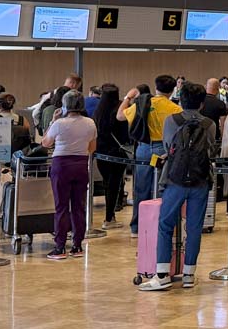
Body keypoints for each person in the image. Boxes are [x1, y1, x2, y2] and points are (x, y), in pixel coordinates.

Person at [137, 83, 219, 291]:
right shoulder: (209, 124)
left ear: (181, 101)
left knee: (165, 225)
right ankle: (189, 274)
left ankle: (162, 274)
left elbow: (168, 146)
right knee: (194, 228)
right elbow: (211, 149)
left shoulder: (172, 121)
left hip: (175, 179)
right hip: (201, 180)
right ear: (202, 104)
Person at [38, 90, 96, 259]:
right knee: (79, 206)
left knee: (61, 207)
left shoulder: (59, 124)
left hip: (61, 165)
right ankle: (77, 245)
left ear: (64, 105)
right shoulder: (90, 123)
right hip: (81, 164)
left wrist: (52, 121)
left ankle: (60, 246)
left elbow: (45, 142)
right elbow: (92, 148)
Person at [120, 76, 181, 236]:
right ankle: (159, 226)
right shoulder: (175, 109)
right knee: (161, 188)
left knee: (141, 188)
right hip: (163, 149)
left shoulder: (143, 104)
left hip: (144, 147)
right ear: (172, 90)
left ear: (156, 87)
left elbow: (120, 116)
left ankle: (136, 227)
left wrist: (128, 97)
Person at [92, 84, 127, 228]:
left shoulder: (98, 110)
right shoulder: (119, 109)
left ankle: (110, 217)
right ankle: (109, 218)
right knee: (114, 185)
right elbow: (125, 133)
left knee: (107, 184)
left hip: (101, 152)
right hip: (117, 152)